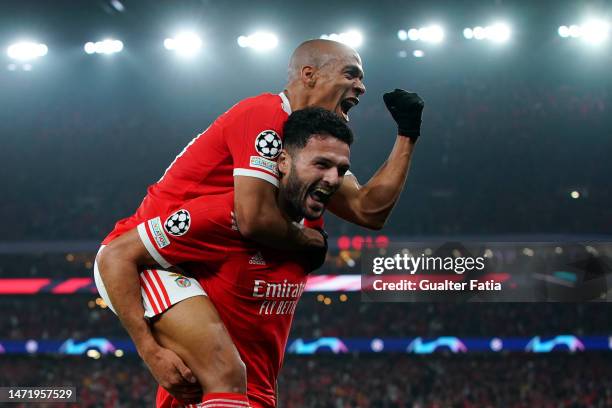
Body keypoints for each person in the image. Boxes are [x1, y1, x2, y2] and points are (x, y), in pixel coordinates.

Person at [96, 38, 424, 404]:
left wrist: (407, 134)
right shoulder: (265, 115)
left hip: (197, 257)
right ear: (309, 75)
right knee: (227, 372)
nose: (362, 87)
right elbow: (252, 218)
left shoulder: (306, 145)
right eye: (351, 74)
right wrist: (308, 242)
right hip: (145, 258)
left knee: (237, 384)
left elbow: (368, 210)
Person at [97, 107, 353, 407]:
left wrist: (407, 135)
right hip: (207, 397)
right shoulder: (220, 216)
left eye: (342, 170)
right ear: (282, 161)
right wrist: (150, 350)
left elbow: (374, 212)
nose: (334, 179)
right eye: (321, 164)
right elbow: (115, 256)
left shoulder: (311, 229)